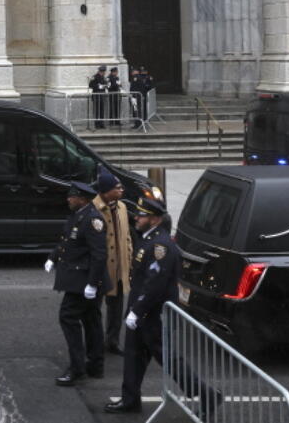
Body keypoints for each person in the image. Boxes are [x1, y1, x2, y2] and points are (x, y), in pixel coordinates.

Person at [106, 197, 218, 418]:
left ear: (155, 219)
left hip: (154, 315)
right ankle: (130, 399)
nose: (136, 218)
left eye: (142, 215)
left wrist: (137, 311)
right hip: (142, 311)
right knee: (133, 356)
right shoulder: (148, 238)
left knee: (167, 358)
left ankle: (208, 395)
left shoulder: (161, 246)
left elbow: (154, 284)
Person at [48, 181, 107, 386]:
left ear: (82, 199)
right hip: (81, 279)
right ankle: (95, 364)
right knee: (91, 320)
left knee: (68, 317)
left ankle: (77, 368)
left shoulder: (92, 220)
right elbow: (67, 241)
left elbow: (99, 255)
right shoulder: (77, 215)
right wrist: (53, 257)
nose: (68, 199)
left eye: (71, 196)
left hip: (84, 281)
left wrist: (92, 284)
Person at [92, 170, 133, 356]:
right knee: (94, 307)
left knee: (116, 307)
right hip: (101, 268)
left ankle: (113, 340)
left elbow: (127, 237)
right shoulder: (94, 209)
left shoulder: (122, 208)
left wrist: (129, 257)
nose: (121, 190)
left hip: (119, 267)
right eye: (117, 188)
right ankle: (95, 342)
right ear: (107, 191)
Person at [89, 65, 108, 129]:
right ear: (100, 71)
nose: (104, 73)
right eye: (103, 72)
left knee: (102, 110)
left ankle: (101, 123)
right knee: (97, 110)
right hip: (96, 96)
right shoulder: (95, 77)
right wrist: (98, 86)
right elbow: (90, 85)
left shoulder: (103, 77)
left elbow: (105, 84)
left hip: (102, 96)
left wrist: (106, 86)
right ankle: (97, 124)